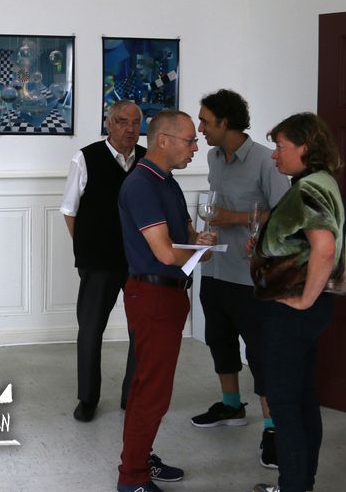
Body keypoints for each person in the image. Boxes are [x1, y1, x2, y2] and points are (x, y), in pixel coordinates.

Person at [116, 110, 217, 492]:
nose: (196, 147)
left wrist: (199, 245)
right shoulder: (142, 185)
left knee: (151, 387)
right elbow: (165, 253)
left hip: (169, 295)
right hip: (153, 296)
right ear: (163, 140)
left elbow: (185, 242)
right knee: (152, 391)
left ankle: (139, 460)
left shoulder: (166, 182)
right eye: (189, 140)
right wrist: (192, 251)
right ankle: (133, 478)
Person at [250, 113, 346, 492]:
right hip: (303, 312)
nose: (275, 154)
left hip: (290, 312)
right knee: (303, 398)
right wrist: (264, 247)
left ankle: (293, 486)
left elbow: (324, 248)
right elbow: (306, 244)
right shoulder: (322, 182)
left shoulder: (309, 188)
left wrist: (305, 299)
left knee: (284, 404)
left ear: (305, 147)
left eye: (281, 146)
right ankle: (301, 484)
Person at [192, 90, 290, 469]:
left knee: (261, 353)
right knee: (219, 340)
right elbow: (212, 208)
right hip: (215, 267)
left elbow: (284, 215)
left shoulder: (266, 161)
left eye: (206, 121)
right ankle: (231, 406)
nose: (200, 128)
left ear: (225, 122)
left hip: (251, 276)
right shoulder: (214, 157)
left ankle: (272, 428)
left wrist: (231, 218)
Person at [60, 99, 145, 422]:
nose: (130, 129)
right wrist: (86, 249)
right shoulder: (86, 158)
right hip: (97, 261)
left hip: (138, 261)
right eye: (122, 121)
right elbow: (69, 210)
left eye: (135, 122)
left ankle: (131, 395)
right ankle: (87, 398)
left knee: (141, 329)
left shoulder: (148, 159)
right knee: (91, 329)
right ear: (108, 124)